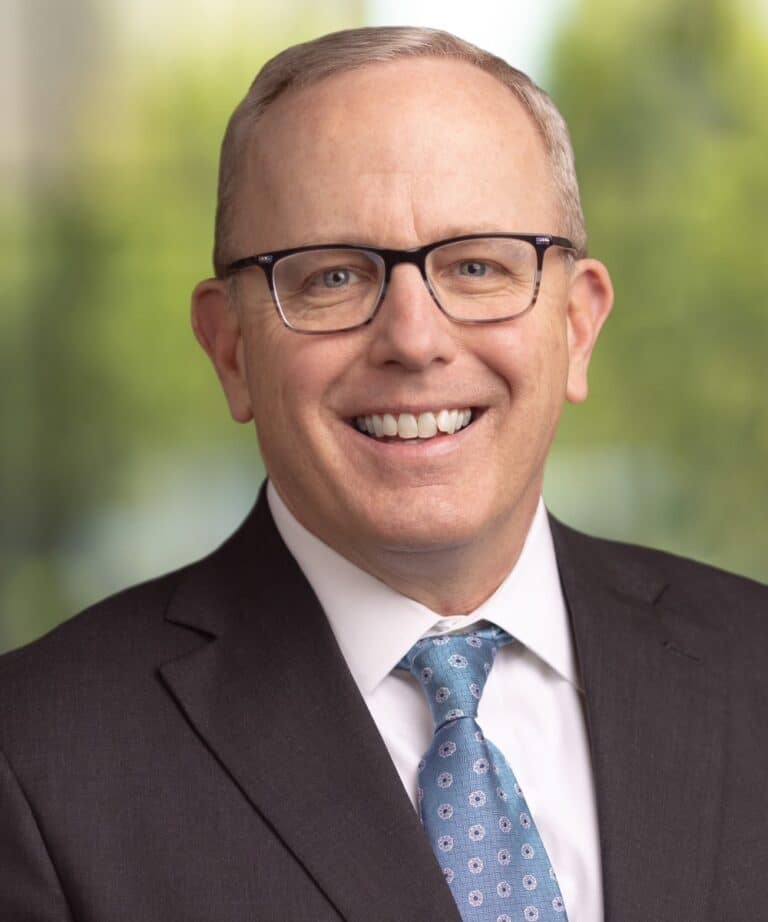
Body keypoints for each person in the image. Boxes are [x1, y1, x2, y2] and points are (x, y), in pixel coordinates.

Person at [0, 25, 765, 922]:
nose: (414, 339)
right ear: (231, 348)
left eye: (478, 265)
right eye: (332, 278)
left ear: (578, 326)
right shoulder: (36, 761)